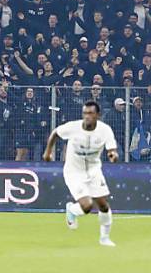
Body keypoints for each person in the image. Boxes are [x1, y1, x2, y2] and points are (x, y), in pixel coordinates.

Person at [43, 101, 119, 247]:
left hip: (94, 169)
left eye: (90, 113)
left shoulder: (105, 130)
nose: (87, 116)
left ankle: (104, 238)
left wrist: (113, 156)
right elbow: (55, 134)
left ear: (98, 115)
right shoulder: (73, 127)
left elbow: (111, 150)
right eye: (85, 113)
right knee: (87, 206)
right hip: (74, 171)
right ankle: (72, 209)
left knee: (103, 205)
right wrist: (48, 152)